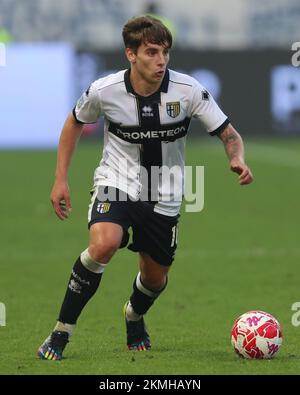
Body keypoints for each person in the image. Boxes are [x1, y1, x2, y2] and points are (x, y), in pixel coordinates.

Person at [37, 15, 253, 361]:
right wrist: (61, 178)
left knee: (154, 279)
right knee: (104, 244)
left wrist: (237, 158)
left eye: (165, 52)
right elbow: (75, 122)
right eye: (151, 52)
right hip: (116, 182)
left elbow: (229, 134)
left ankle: (133, 315)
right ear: (131, 54)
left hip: (165, 192)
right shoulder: (105, 91)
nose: (161, 59)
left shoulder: (188, 90)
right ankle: (61, 332)